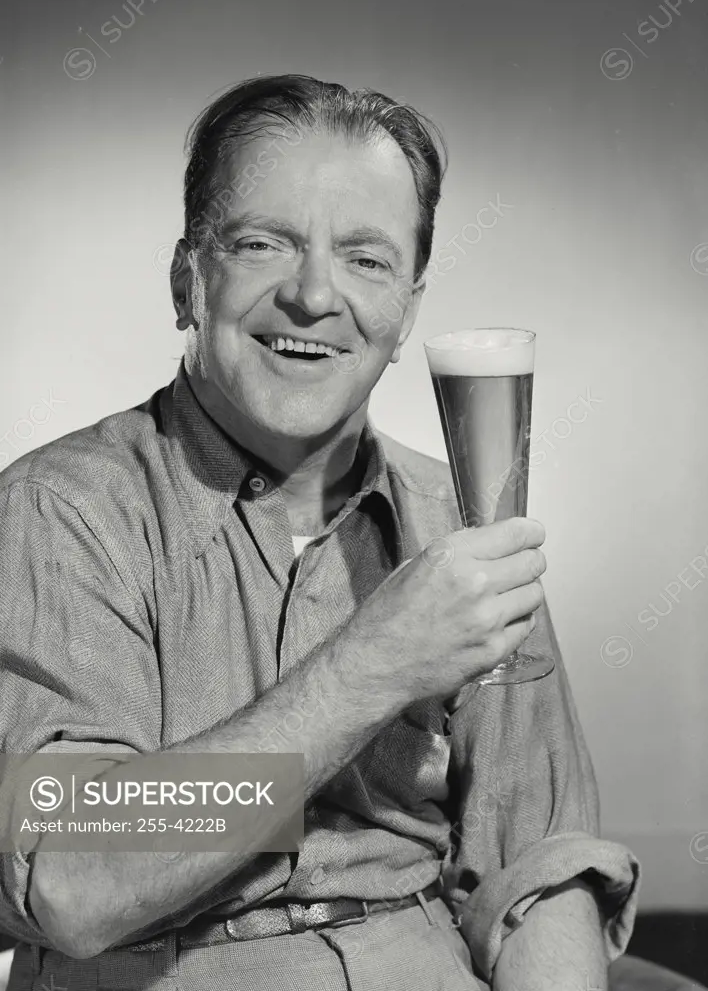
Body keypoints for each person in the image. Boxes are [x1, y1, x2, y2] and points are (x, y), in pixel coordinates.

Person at [0, 74, 639, 991]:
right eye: (263, 244)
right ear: (188, 279)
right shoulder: (61, 512)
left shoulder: (465, 521)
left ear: (407, 312)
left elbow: (537, 865)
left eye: (366, 259)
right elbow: (72, 881)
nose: (313, 295)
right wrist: (377, 661)